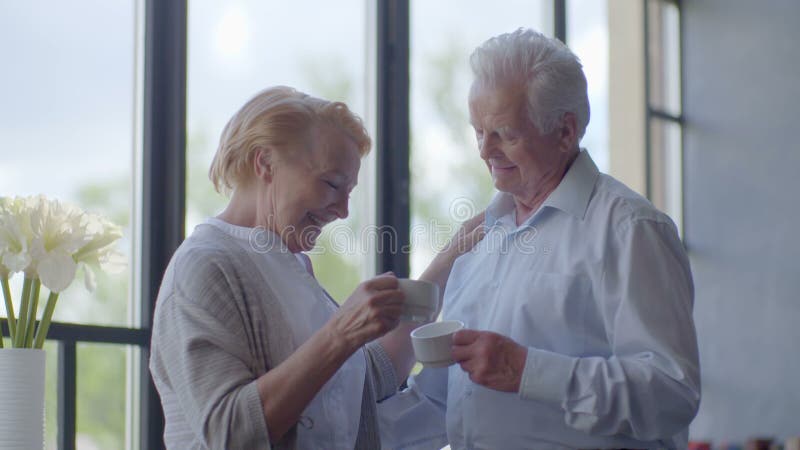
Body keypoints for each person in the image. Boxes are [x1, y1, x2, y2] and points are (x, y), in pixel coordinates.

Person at [378, 28, 701, 449]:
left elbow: (671, 392)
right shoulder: (481, 239)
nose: (484, 151)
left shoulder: (629, 229)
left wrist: (528, 371)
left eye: (504, 133)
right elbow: (447, 400)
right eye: (478, 132)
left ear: (565, 132)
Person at [148, 86, 484, 449]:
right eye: (331, 184)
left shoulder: (289, 265)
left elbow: (361, 381)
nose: (343, 211)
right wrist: (341, 333)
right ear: (265, 163)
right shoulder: (204, 267)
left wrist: (456, 252)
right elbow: (228, 433)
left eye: (350, 192)